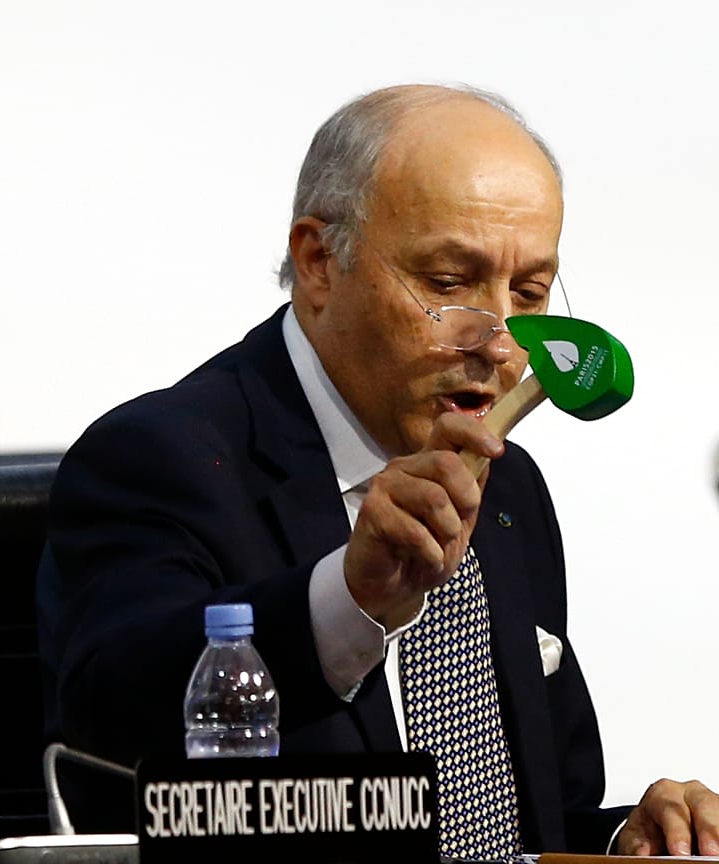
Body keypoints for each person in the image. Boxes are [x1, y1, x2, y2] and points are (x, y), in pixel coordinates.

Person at [35, 84, 719, 857]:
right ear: (320, 262)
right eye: (449, 283)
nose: (501, 344)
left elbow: (517, 835)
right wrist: (350, 599)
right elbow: (113, 718)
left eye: (528, 292)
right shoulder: (162, 457)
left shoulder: (509, 489)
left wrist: (628, 840)